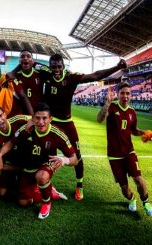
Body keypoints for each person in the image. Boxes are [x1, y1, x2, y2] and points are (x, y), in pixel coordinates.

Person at [43, 53, 127, 200]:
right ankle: (47, 185)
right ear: (50, 67)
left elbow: (95, 76)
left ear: (63, 66)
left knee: (78, 156)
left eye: (59, 66)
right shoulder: (46, 76)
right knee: (47, 155)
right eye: (53, 66)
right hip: (51, 123)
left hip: (67, 123)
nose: (56, 69)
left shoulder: (71, 77)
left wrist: (116, 67)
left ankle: (79, 186)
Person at [0, 102, 78, 219]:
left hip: (46, 165)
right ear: (33, 118)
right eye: (37, 118)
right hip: (28, 168)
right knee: (24, 202)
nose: (41, 122)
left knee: (42, 176)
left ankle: (46, 202)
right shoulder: (27, 129)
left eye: (44, 118)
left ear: (50, 119)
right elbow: (12, 142)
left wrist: (64, 160)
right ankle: (49, 191)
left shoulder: (57, 134)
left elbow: (75, 159)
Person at [97, 83, 152, 216]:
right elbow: (99, 119)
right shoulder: (112, 106)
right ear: (118, 94)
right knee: (124, 189)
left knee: (138, 178)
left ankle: (146, 202)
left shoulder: (132, 112)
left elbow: (133, 130)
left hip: (129, 152)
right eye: (122, 93)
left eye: (128, 93)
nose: (125, 96)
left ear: (131, 95)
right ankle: (132, 199)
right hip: (114, 155)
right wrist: (107, 103)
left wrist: (144, 133)